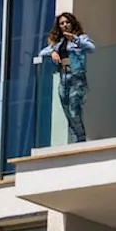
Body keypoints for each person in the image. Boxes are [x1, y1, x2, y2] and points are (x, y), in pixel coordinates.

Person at [38, 12, 95, 143]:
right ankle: (75, 140)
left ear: (72, 23)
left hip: (77, 77)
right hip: (64, 78)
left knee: (74, 110)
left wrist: (75, 39)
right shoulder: (58, 42)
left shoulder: (81, 38)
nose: (64, 25)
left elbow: (91, 48)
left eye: (67, 22)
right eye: (62, 23)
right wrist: (52, 52)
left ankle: (80, 139)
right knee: (67, 112)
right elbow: (42, 52)